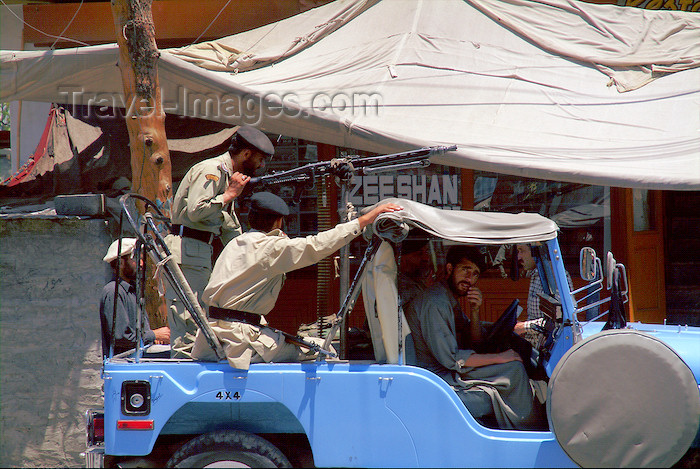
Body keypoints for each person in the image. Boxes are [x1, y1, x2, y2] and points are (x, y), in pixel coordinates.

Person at [190, 192, 404, 370]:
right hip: (240, 340)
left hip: (212, 336)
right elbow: (317, 246)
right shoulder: (269, 248)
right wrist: (364, 220)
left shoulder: (236, 243)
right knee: (325, 350)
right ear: (278, 221)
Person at [405, 245, 545, 430]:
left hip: (446, 369)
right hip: (438, 376)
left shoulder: (447, 298)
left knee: (511, 363)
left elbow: (473, 338)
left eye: (476, 274)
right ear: (449, 269)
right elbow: (451, 359)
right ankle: (530, 431)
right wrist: (500, 357)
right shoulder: (435, 303)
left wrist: (476, 311)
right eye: (465, 270)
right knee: (514, 369)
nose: (470, 278)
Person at [164, 125, 274, 358]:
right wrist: (229, 195)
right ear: (245, 155)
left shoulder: (227, 177)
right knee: (189, 325)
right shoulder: (211, 170)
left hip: (198, 252)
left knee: (201, 321)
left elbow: (227, 224)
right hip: (187, 252)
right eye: (260, 159)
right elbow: (196, 211)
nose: (261, 166)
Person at [100, 238, 170, 357]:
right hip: (126, 360)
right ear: (121, 263)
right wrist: (154, 335)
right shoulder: (113, 291)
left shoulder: (132, 291)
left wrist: (152, 338)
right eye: (136, 259)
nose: (141, 263)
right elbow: (121, 337)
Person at [513, 243, 572, 347]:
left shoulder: (554, 277)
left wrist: (523, 327)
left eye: (522, 251)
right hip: (532, 346)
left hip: (545, 349)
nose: (519, 257)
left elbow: (562, 320)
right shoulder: (536, 275)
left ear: (536, 250)